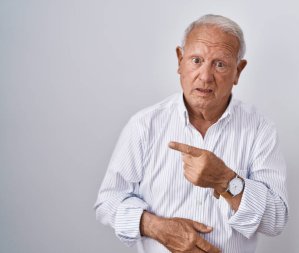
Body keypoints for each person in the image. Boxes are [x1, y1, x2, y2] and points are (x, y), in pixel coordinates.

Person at [94, 14, 288, 253]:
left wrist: (225, 180)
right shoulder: (144, 125)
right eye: (196, 60)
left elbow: (275, 220)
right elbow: (107, 202)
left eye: (220, 64)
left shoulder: (260, 130)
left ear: (238, 71)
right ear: (179, 60)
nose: (205, 76)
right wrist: (157, 228)